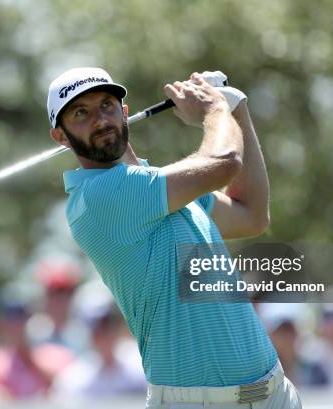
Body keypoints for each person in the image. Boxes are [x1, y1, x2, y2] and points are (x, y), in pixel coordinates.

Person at [47, 67, 302, 408]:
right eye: (81, 113)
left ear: (124, 113)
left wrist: (237, 107)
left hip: (274, 394)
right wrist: (215, 109)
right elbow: (224, 162)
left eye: (106, 105)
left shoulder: (164, 187)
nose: (100, 120)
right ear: (61, 136)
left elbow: (251, 215)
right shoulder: (97, 197)